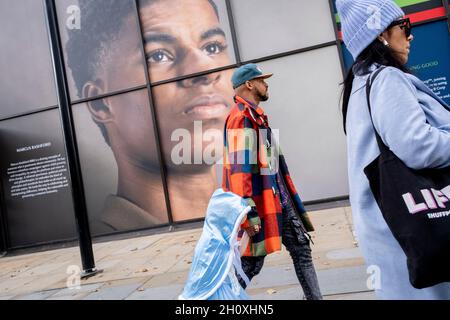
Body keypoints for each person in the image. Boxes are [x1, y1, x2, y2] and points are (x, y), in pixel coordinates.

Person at [66, 0, 235, 232]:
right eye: (157, 56)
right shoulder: (109, 252)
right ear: (100, 103)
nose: (206, 70)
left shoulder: (252, 223)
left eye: (212, 47)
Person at [337, 0, 450, 299]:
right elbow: (418, 146)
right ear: (380, 34)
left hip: (392, 227)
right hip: (418, 227)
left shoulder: (361, 83)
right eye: (405, 26)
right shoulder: (387, 78)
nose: (411, 35)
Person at [222, 63, 322, 300]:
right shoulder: (240, 117)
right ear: (249, 84)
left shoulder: (256, 115)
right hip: (259, 203)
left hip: (277, 198)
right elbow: (239, 170)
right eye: (261, 80)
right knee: (250, 264)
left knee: (301, 249)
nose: (266, 84)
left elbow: (271, 163)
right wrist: (248, 213)